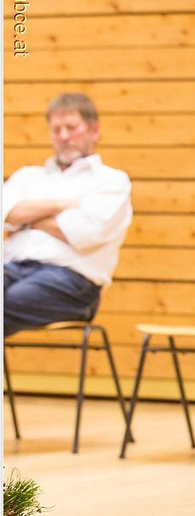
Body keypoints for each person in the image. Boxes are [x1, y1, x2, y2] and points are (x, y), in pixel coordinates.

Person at [4, 93, 132, 337]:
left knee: (8, 303)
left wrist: (27, 220)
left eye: (71, 128)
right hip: (12, 268)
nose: (63, 136)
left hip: (72, 282)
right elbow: (7, 215)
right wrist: (59, 205)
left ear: (93, 130)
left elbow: (85, 233)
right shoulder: (27, 176)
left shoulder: (111, 181)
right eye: (56, 130)